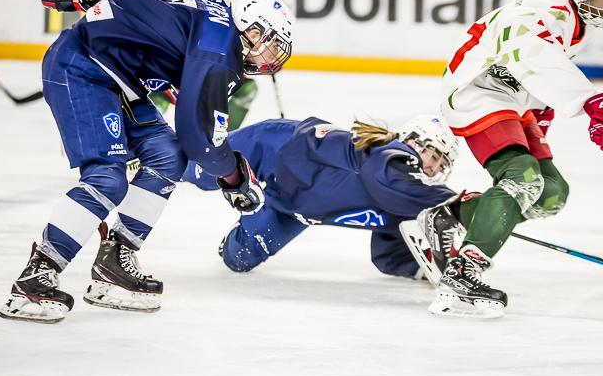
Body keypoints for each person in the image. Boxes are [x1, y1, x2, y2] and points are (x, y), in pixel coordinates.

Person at [0, 0, 295, 323]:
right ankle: (38, 273)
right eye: (273, 44)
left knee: (168, 155)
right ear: (253, 30)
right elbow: (199, 138)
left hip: (116, 74)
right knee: (107, 178)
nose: (272, 57)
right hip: (82, 68)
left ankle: (115, 259)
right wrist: (233, 177)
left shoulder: (214, 10)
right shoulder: (220, 54)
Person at [419, 0, 603, 317]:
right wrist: (589, 100)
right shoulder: (543, 10)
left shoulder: (571, 18)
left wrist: (543, 110)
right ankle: (464, 271)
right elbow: (529, 52)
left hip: (511, 98)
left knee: (551, 193)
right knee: (523, 178)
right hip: (476, 91)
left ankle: (454, 214)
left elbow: (534, 69)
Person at [185, 115, 461, 277]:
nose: (434, 168)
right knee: (190, 167)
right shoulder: (379, 154)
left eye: (441, 165)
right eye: (432, 155)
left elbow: (388, 255)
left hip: (291, 208)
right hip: (268, 148)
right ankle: (147, 144)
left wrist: (421, 268)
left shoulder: (403, 197)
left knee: (238, 259)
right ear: (411, 141)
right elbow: (311, 133)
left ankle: (253, 210)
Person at [207, 0, 294, 131]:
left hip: (230, 63)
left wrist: (269, 56)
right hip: (205, 56)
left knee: (247, 90)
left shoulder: (268, 5)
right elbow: (210, 13)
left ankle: (224, 136)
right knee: (167, 90)